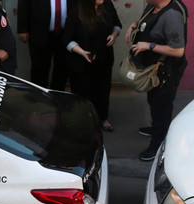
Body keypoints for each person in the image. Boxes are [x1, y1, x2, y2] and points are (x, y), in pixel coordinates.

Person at [125, 0, 187, 161]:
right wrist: (134, 25)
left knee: (162, 106)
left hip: (167, 72)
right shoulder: (153, 7)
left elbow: (178, 50)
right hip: (153, 70)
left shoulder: (172, 16)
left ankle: (158, 146)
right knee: (153, 100)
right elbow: (148, 23)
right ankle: (155, 128)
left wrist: (149, 46)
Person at [62, 0, 121, 131]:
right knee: (82, 90)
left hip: (104, 58)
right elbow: (67, 39)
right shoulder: (75, 12)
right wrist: (82, 52)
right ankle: (83, 120)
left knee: (103, 89)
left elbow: (117, 25)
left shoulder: (107, 6)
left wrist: (113, 35)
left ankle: (103, 118)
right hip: (82, 59)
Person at [17, 0, 77, 90]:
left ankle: (57, 97)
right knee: (39, 69)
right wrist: (22, 28)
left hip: (66, 34)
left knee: (62, 68)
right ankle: (39, 98)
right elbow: (23, 3)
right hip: (40, 31)